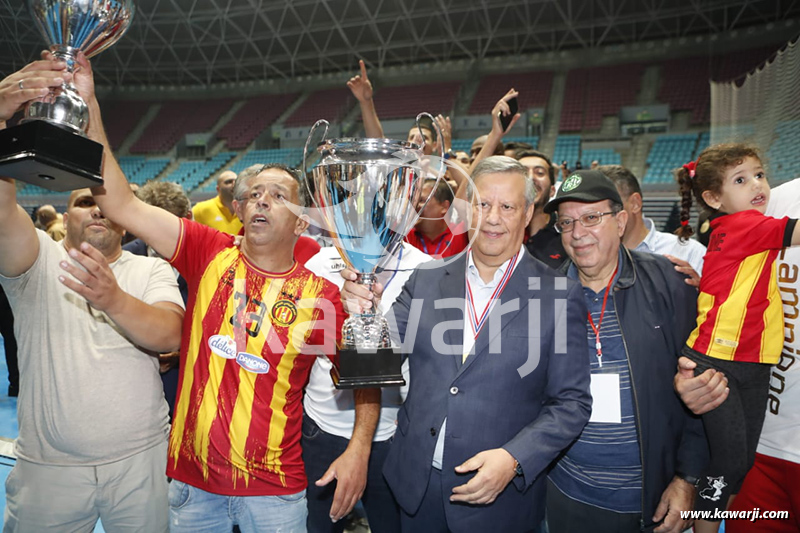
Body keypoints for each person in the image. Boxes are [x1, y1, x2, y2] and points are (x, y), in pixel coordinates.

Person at [63, 51, 359, 532]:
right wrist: (90, 106)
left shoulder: (323, 294)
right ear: (243, 210)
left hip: (277, 492)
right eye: (256, 192)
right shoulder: (207, 251)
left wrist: (358, 452)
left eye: (279, 195)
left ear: (301, 221)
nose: (263, 199)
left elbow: (365, 382)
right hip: (192, 488)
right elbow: (117, 200)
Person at [342, 156, 592, 532]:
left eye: (507, 207)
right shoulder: (425, 279)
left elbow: (571, 403)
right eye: (482, 204)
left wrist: (513, 459)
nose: (492, 218)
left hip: (499, 499)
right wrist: (362, 317)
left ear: (527, 214)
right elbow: (374, 366)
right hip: (415, 488)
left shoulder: (558, 294)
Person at [0, 57, 185, 533]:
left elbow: (170, 335)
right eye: (85, 202)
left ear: (123, 217)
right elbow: (1, 213)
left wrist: (112, 299)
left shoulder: (148, 268)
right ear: (67, 211)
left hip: (140, 461)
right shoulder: (36, 258)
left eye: (103, 203)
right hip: (48, 467)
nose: (97, 213)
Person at [543, 169, 707, 533]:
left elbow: (702, 390)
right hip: (566, 492)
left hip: (651, 497)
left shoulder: (670, 283)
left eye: (591, 218)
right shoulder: (543, 294)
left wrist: (687, 478)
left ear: (620, 221)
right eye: (566, 222)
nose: (577, 232)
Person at [673, 144, 800, 533]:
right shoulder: (746, 224)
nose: (757, 186)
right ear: (713, 198)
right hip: (718, 359)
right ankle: (704, 528)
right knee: (729, 463)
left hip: (755, 361)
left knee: (741, 462)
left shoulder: (737, 226)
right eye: (741, 180)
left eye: (759, 175)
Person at [303, 241, 432, 533]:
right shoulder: (321, 263)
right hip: (322, 429)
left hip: (392, 434)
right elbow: (299, 349)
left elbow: (431, 358)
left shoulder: (426, 268)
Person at [124, 180, 193, 419]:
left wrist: (182, 349)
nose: (159, 234)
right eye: (151, 225)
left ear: (189, 218)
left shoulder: (210, 261)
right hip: (135, 385)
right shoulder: (123, 259)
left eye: (169, 225)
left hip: (192, 384)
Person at [599, 164, 706, 281]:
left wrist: (700, 294)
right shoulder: (585, 258)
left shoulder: (689, 253)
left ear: (635, 203)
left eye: (610, 207)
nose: (600, 218)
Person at [517, 149, 568, 270]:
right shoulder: (498, 233)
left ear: (552, 191)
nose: (530, 178)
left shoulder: (568, 234)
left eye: (539, 173)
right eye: (522, 173)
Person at [404, 179, 468, 259]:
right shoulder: (404, 236)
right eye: (413, 201)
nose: (414, 206)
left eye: (421, 201)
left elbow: (462, 202)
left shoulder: (460, 234)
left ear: (444, 207)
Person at [192, 169, 241, 234]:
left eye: (236, 182)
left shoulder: (246, 209)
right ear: (218, 189)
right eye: (228, 182)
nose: (234, 185)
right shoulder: (200, 209)